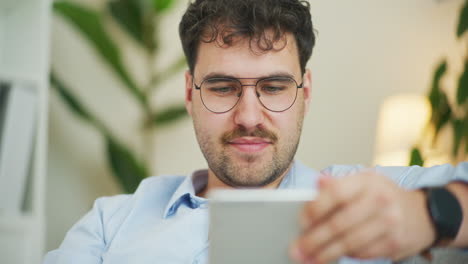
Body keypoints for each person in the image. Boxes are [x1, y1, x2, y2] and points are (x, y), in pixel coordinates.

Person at [44, 0, 468, 263]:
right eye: (223, 88)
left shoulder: (372, 200)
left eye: (274, 87)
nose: (249, 116)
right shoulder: (110, 223)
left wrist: (433, 213)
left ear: (305, 92)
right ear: (190, 94)